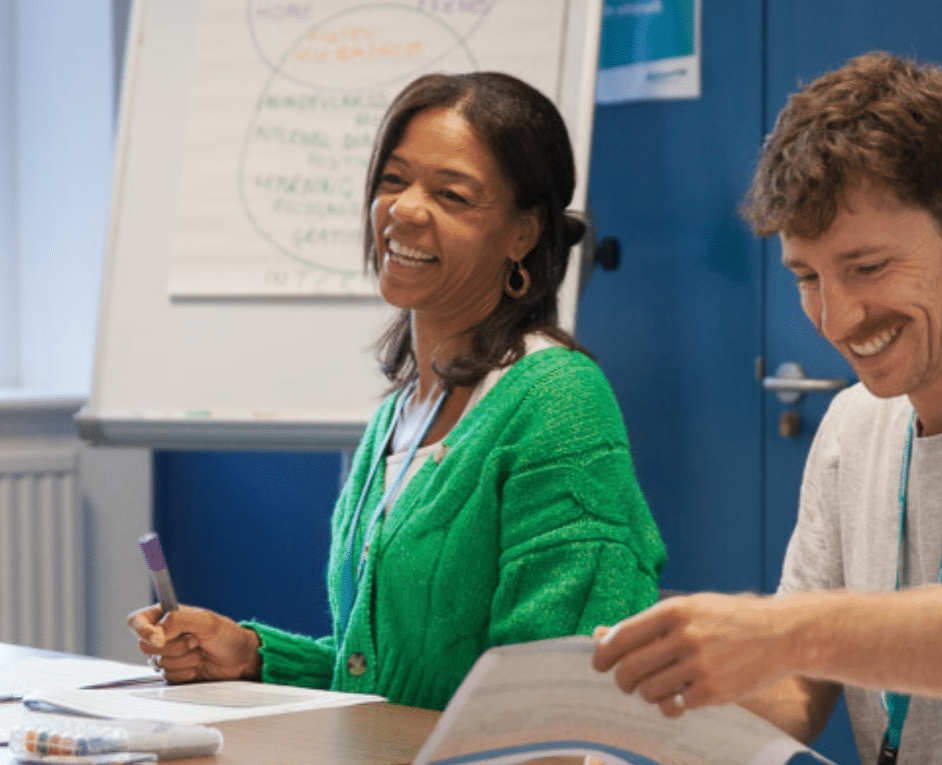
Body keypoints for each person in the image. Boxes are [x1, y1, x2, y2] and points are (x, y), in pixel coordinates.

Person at [591, 51, 942, 764]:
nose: (834, 318)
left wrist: (788, 629)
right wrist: (654, 700)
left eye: (867, 267)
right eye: (805, 276)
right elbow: (797, 690)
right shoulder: (852, 426)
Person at [129, 71, 666, 712]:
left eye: (452, 194)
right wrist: (250, 652)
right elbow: (385, 678)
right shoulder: (398, 414)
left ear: (523, 233)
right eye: (393, 180)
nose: (405, 209)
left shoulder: (558, 400)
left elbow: (558, 695)